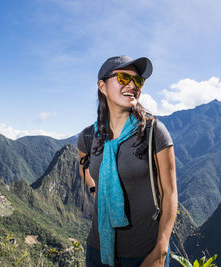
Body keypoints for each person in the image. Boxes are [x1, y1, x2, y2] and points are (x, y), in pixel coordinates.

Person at [77, 55, 177, 267]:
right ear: (102, 86)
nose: (132, 85)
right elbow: (86, 171)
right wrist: (96, 192)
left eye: (138, 81)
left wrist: (161, 248)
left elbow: (170, 192)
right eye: (123, 78)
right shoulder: (87, 137)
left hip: (144, 253)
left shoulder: (153, 132)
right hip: (98, 251)